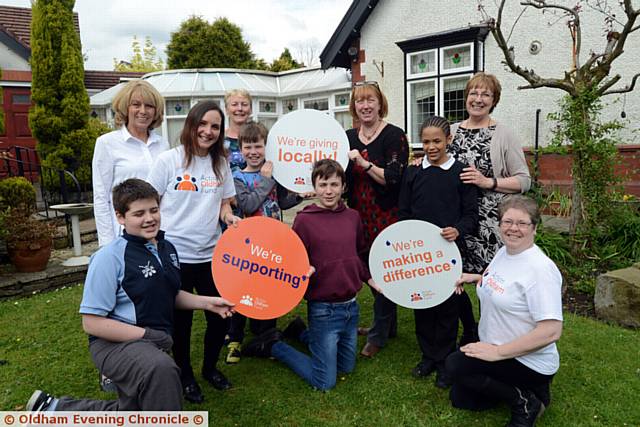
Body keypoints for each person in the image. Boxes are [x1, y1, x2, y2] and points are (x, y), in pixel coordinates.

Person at [26, 179, 234, 412]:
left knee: (133, 413)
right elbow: (91, 323)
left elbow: (169, 294)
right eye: (139, 213)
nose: (149, 218)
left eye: (154, 210)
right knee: (162, 371)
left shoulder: (167, 248)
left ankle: (55, 409)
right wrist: (150, 336)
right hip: (114, 346)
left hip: (151, 342)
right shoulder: (109, 257)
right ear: (120, 217)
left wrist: (209, 303)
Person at [242, 159, 380, 391]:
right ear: (314, 187)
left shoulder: (353, 217)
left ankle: (299, 331)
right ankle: (274, 345)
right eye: (323, 184)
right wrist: (301, 270)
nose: (328, 191)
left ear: (343, 187)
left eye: (334, 185)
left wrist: (368, 278)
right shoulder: (305, 220)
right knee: (324, 381)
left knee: (346, 367)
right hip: (323, 308)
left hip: (350, 308)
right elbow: (291, 257)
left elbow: (358, 252)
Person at [147, 100, 240, 404]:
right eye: (203, 124)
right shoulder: (168, 161)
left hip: (212, 255)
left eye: (215, 126)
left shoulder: (221, 163)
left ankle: (210, 368)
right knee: (181, 322)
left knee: (220, 317)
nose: (208, 131)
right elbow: (151, 203)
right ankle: (185, 374)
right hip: (175, 256)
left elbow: (225, 202)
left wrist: (228, 217)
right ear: (191, 124)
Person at [446, 195, 562, 427]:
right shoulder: (504, 253)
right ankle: (525, 389)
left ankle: (526, 402)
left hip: (526, 359)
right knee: (462, 398)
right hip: (496, 347)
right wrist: (476, 278)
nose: (513, 229)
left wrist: (498, 353)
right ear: (499, 225)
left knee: (455, 366)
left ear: (535, 228)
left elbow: (551, 331)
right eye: (507, 222)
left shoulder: (540, 270)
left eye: (522, 223)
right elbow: (505, 287)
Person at [448, 72, 532, 346]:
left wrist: (488, 181)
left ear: (494, 100)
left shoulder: (503, 133)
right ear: (466, 97)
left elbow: (524, 180)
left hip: (490, 225)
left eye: (485, 94)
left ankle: (489, 336)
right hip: (458, 220)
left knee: (488, 282)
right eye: (474, 93)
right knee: (454, 280)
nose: (478, 99)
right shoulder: (451, 131)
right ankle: (468, 329)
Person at [398, 116, 478, 388]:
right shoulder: (414, 172)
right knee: (422, 303)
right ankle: (428, 356)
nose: (431, 147)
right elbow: (404, 213)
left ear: (449, 141)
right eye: (427, 141)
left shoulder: (461, 173)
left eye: (437, 141)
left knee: (446, 307)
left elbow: (471, 216)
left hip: (449, 253)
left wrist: (457, 230)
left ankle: (445, 359)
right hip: (419, 254)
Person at [225, 121, 303, 364]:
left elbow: (281, 202)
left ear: (266, 147)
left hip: (273, 242)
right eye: (248, 147)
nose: (253, 152)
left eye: (258, 146)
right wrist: (266, 180)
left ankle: (266, 335)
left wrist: (300, 195)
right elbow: (248, 205)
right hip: (249, 246)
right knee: (242, 290)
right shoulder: (237, 177)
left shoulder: (273, 174)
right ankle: (235, 338)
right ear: (241, 149)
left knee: (269, 288)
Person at [345, 81, 409, 358]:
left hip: (386, 214)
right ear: (354, 107)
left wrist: (364, 163)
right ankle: (387, 324)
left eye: (370, 100)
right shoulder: (347, 136)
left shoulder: (394, 136)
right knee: (367, 268)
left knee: (384, 271)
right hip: (358, 214)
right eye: (360, 101)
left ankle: (378, 334)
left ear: (380, 103)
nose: (366, 105)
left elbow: (394, 177)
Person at [92, 80, 168, 247]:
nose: (143, 111)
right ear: (126, 107)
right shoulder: (107, 143)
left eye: (149, 106)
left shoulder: (162, 144)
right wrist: (107, 243)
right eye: (136, 104)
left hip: (157, 234)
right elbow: (101, 197)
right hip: (124, 236)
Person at [224, 89, 252, 172]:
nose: (240, 108)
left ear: (250, 110)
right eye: (234, 104)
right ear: (226, 110)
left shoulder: (260, 138)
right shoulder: (218, 139)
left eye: (244, 104)